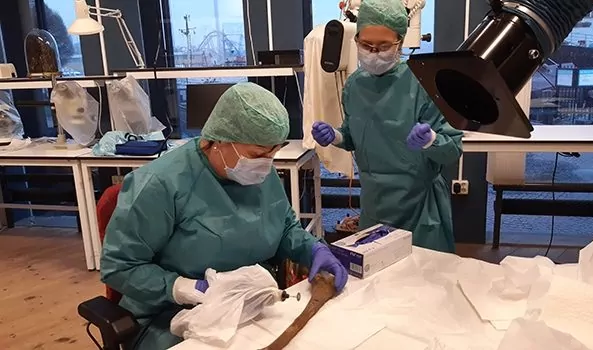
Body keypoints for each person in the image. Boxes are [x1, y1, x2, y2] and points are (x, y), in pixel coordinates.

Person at [101, 82, 348, 350]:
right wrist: (183, 287)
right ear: (218, 141)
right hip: (171, 317)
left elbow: (284, 227)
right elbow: (120, 266)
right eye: (257, 154)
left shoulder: (258, 173)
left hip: (250, 305)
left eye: (274, 152)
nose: (266, 162)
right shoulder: (160, 185)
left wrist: (312, 250)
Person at [311, 0, 463, 253]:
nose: (373, 52)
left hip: (419, 208)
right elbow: (354, 135)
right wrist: (336, 136)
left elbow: (452, 149)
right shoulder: (355, 85)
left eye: (383, 46)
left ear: (400, 43)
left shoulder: (422, 84)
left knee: (424, 284)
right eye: (366, 45)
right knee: (376, 280)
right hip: (375, 204)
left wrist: (431, 140)